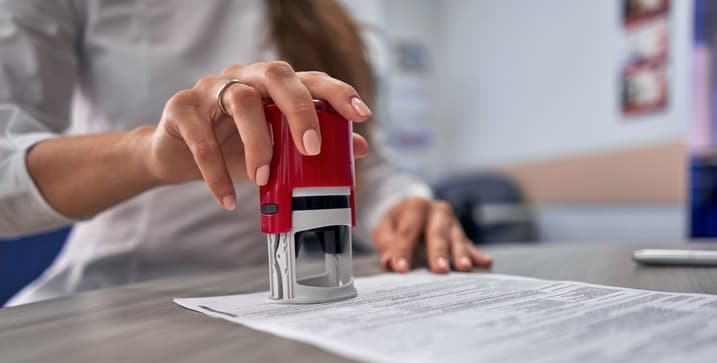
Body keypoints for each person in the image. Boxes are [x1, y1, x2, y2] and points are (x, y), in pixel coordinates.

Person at [0, 0, 491, 306]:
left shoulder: (321, 17)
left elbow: (363, 163)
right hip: (122, 295)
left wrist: (401, 208)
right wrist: (148, 155)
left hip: (284, 302)